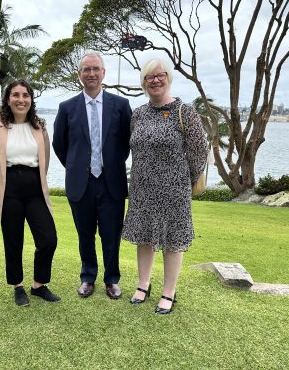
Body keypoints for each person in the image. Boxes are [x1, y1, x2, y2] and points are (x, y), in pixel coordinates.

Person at [121, 57, 207, 314]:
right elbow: (132, 148)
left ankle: (168, 291)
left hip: (174, 189)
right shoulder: (138, 114)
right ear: (143, 82)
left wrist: (186, 179)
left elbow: (199, 151)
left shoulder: (185, 111)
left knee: (172, 240)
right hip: (142, 188)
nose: (155, 80)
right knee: (144, 237)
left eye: (160, 75)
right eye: (149, 77)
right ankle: (143, 284)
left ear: (168, 78)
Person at [53, 51, 132, 299]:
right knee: (85, 234)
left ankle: (111, 279)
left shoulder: (120, 105)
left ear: (103, 73)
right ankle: (88, 277)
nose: (91, 74)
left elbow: (127, 143)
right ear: (79, 75)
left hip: (112, 183)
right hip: (81, 183)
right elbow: (59, 144)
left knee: (111, 235)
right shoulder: (67, 108)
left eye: (96, 69)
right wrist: (78, 166)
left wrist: (111, 163)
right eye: (86, 69)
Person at [0, 79, 60, 307]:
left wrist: (39, 179)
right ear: (8, 99)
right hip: (9, 190)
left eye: (25, 95)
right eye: (15, 95)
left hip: (35, 188)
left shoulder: (39, 126)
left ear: (31, 99)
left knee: (48, 239)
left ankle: (38, 285)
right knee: (13, 241)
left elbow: (44, 158)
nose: (21, 99)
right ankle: (17, 286)